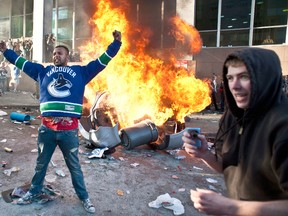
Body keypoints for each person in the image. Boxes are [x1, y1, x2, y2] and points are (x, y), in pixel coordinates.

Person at [0, 30, 122, 214]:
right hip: (46, 130)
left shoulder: (80, 72)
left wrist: (116, 44)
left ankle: (84, 198)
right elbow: (22, 63)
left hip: (69, 132)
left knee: (74, 167)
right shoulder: (43, 71)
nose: (56, 55)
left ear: (67, 56)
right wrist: (6, 52)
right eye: (55, 53)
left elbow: (101, 62)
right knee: (41, 165)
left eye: (60, 53)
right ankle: (33, 192)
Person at [182, 48, 288, 215]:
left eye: (244, 77)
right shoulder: (234, 115)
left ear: (265, 78)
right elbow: (229, 166)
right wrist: (205, 154)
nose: (235, 86)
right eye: (230, 78)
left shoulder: (282, 126)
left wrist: (230, 207)